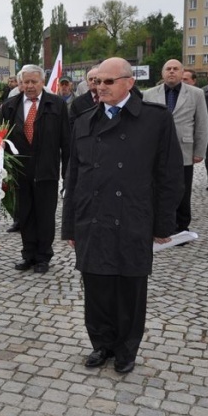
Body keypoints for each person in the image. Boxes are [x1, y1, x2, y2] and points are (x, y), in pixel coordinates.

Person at [62, 57, 183, 374]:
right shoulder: (84, 121)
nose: (100, 87)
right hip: (92, 217)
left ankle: (127, 349)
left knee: (130, 288)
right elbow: (73, 177)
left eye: (108, 81)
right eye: (97, 81)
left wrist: (163, 224)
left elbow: (169, 175)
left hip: (133, 216)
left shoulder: (155, 119)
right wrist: (70, 226)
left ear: (129, 83)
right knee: (96, 287)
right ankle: (101, 344)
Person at [0, 64, 70, 274]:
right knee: (25, 215)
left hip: (47, 171)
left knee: (45, 215)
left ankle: (43, 256)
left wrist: (67, 174)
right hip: (20, 172)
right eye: (25, 82)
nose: (29, 86)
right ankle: (28, 254)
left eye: (33, 82)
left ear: (42, 82)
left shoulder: (57, 104)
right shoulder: (10, 106)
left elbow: (66, 141)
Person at [142, 59, 208, 232]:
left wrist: (199, 151)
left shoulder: (196, 94)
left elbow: (202, 123)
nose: (171, 71)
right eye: (168, 69)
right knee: (157, 188)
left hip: (184, 150)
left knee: (182, 190)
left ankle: (182, 226)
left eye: (175, 69)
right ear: (162, 73)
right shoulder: (149, 94)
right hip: (156, 151)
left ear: (182, 72)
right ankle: (159, 225)